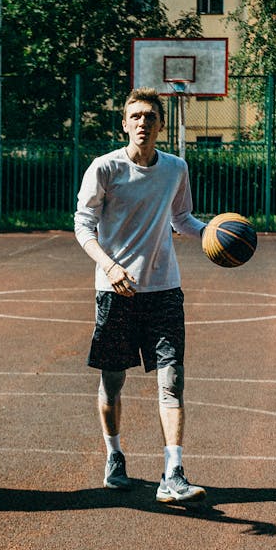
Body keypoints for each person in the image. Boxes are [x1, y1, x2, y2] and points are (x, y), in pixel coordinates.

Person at [74, 87, 207, 503]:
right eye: (135, 116)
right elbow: (82, 226)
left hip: (164, 288)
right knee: (113, 383)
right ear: (124, 123)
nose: (142, 123)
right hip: (117, 291)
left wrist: (211, 233)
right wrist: (109, 267)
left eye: (150, 116)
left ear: (161, 125)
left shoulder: (175, 168)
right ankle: (114, 454)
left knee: (173, 380)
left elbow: (180, 217)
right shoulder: (104, 168)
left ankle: (173, 471)